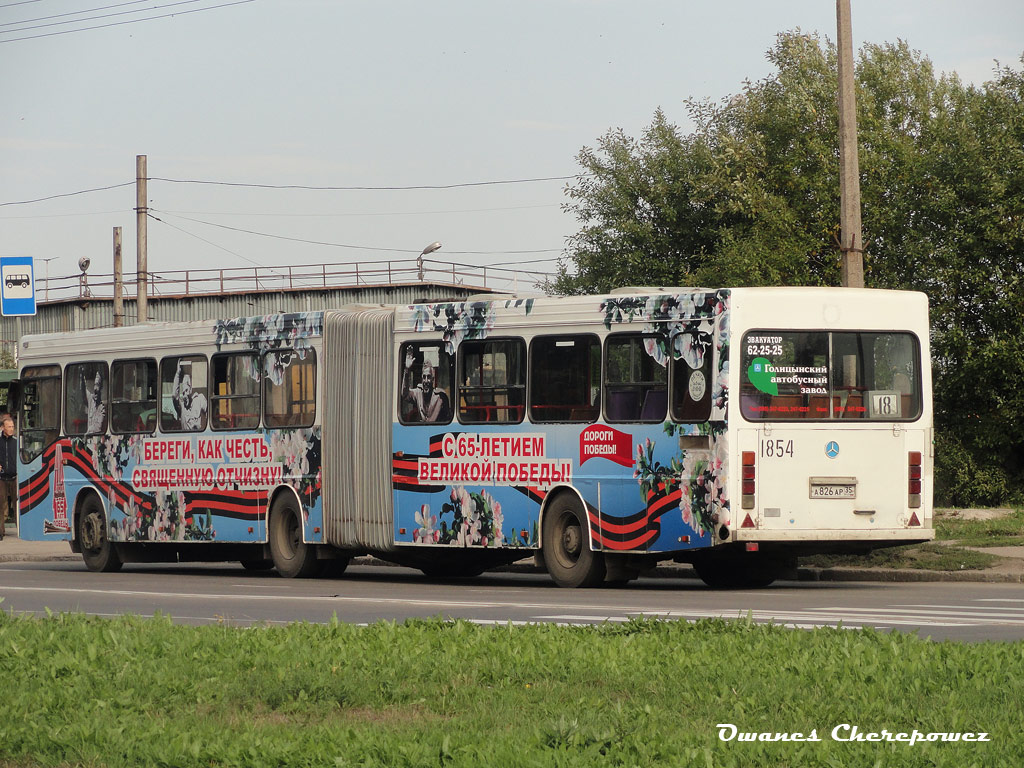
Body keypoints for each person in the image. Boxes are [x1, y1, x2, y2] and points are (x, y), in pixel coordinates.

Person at [401, 350, 450, 423]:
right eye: (424, 377)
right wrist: (407, 370)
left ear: (433, 380)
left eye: (429, 377)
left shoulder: (440, 396)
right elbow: (405, 394)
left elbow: (447, 419)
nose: (426, 381)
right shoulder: (418, 393)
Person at [173, 362, 208, 430]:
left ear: (191, 389)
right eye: (183, 392)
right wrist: (177, 374)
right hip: (186, 438)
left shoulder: (200, 399)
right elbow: (174, 396)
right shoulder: (182, 404)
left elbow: (209, 412)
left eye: (186, 390)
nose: (185, 394)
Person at [0, 415, 17, 540]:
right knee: (2, 505)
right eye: (9, 427)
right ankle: (1, 532)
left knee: (17, 504)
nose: (11, 429)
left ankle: (20, 529)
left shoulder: (16, 442)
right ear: (2, 428)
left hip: (15, 477)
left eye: (12, 427)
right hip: (1, 478)